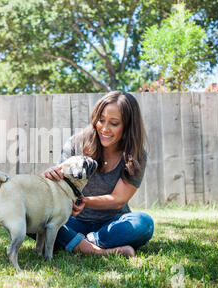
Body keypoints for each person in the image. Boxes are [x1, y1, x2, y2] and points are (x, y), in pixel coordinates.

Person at [42, 91, 154, 258]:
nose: (104, 128)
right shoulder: (76, 143)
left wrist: (84, 202)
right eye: (101, 120)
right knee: (39, 219)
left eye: (114, 123)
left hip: (113, 225)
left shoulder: (135, 155)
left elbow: (118, 199)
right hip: (72, 221)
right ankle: (95, 250)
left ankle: (78, 242)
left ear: (128, 125)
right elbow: (59, 186)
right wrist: (48, 177)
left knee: (144, 223)